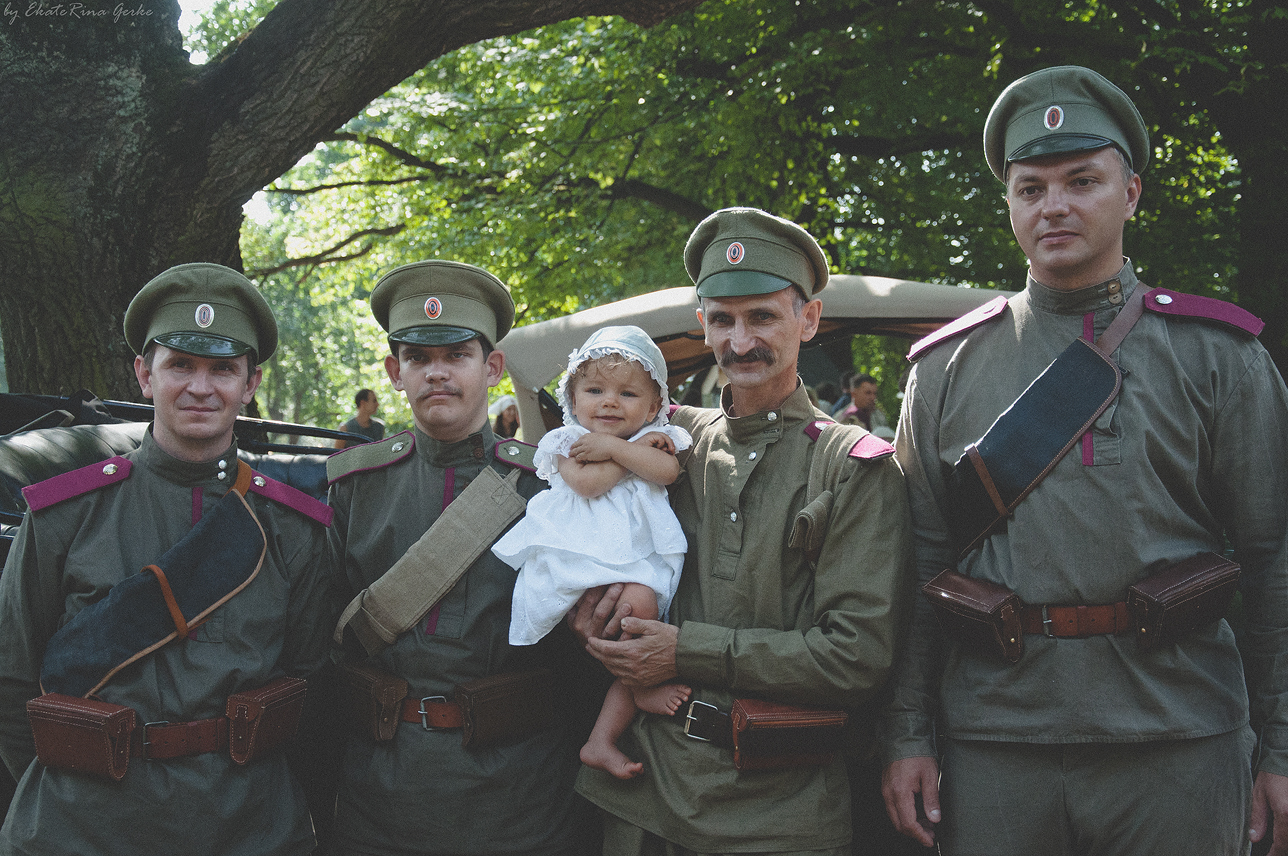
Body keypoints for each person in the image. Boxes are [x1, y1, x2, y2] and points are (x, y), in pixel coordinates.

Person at [880, 66, 1288, 856]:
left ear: (1130, 192)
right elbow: (917, 568)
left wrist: (1281, 747)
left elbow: (1275, 561)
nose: (1054, 205)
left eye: (1082, 181)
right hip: (996, 741)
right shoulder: (945, 369)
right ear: (1009, 204)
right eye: (1030, 188)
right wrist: (907, 736)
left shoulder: (1218, 357)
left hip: (1180, 736)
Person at [573, 207, 914, 855]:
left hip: (782, 809)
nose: (741, 341)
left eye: (762, 316)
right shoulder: (668, 444)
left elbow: (854, 659)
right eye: (723, 319)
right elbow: (578, 541)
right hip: (646, 792)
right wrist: (592, 617)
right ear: (701, 324)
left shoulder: (851, 466)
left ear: (808, 320)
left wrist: (682, 650)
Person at [0, 263, 335, 855]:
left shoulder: (292, 528)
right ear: (143, 374)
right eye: (180, 364)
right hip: (83, 826)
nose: (200, 387)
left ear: (250, 383)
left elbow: (309, 688)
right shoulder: (63, 517)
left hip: (247, 826)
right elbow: (12, 684)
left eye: (223, 369)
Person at [325, 260, 600, 856]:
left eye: (457, 355)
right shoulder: (355, 488)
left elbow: (586, 662)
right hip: (382, 794)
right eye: (420, 358)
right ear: (396, 373)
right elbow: (324, 648)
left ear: (492, 366)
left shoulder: (548, 486)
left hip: (520, 795)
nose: (438, 373)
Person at [493, 325, 693, 781]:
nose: (609, 402)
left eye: (627, 393)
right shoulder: (566, 441)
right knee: (629, 619)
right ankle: (631, 696)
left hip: (631, 558)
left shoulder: (659, 439)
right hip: (579, 558)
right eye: (595, 389)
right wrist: (624, 450)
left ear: (654, 405)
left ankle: (601, 739)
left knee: (641, 614)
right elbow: (587, 482)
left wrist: (623, 448)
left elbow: (666, 472)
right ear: (573, 397)